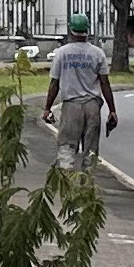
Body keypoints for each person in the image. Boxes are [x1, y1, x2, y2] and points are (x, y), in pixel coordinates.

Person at [45, 12, 117, 173]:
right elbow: (105, 83)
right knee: (90, 150)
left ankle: (66, 182)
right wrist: (112, 110)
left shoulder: (61, 53)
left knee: (67, 147)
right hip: (92, 106)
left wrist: (47, 108)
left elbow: (54, 83)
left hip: (71, 106)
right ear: (87, 31)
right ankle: (87, 185)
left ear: (70, 30)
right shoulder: (98, 53)